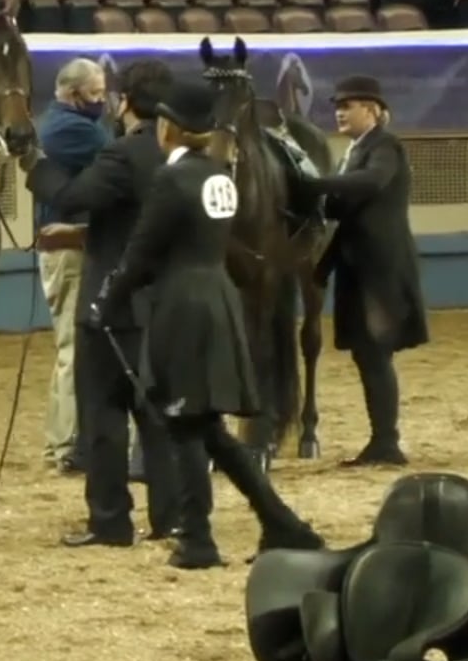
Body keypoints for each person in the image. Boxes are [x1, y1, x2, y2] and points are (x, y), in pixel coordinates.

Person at [88, 77, 324, 569]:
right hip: (218, 298)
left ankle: (198, 539)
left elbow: (141, 254)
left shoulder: (172, 180)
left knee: (184, 423)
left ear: (170, 128)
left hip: (182, 306)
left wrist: (108, 302)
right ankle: (283, 524)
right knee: (209, 428)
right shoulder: (218, 175)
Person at [24, 59, 178, 545]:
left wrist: (34, 164)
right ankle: (170, 516)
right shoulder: (180, 155)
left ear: (125, 101)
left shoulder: (122, 154)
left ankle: (111, 520)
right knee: (157, 416)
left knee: (105, 414)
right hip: (164, 300)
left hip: (112, 305)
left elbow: (71, 196)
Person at [299, 75, 427, 467]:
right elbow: (343, 208)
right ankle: (382, 439)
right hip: (360, 267)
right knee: (367, 355)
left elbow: (371, 183)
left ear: (371, 110)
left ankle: (387, 442)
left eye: (347, 106)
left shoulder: (384, 146)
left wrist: (315, 184)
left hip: (380, 268)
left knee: (375, 354)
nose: (339, 112)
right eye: (338, 107)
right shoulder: (356, 151)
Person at [28, 58, 109, 477]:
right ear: (74, 94)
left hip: (71, 250)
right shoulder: (74, 131)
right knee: (72, 347)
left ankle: (68, 441)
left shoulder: (61, 124)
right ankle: (65, 445)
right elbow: (114, 157)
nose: (102, 100)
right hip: (69, 251)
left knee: (74, 345)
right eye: (96, 93)